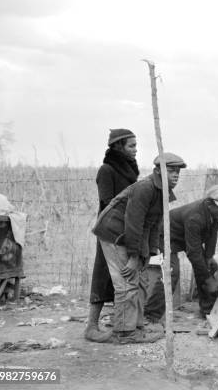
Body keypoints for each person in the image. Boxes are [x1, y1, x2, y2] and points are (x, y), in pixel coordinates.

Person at [92, 152, 186, 344]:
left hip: (130, 235)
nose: (176, 175)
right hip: (114, 233)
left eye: (177, 171)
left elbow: (153, 224)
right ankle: (124, 333)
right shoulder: (145, 188)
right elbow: (133, 223)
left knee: (141, 281)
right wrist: (135, 257)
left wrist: (151, 253)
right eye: (171, 171)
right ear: (158, 172)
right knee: (126, 283)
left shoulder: (162, 193)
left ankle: (136, 326)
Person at [144, 185, 218, 321]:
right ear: (209, 203)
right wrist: (207, 279)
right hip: (166, 235)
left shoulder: (217, 213)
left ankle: (208, 310)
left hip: (186, 236)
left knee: (208, 266)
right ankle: (151, 315)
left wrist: (209, 256)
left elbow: (212, 234)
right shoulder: (195, 217)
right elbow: (194, 253)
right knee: (171, 271)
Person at [85, 129, 139, 343]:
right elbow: (109, 202)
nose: (136, 150)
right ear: (119, 147)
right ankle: (91, 326)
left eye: (136, 145)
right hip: (108, 228)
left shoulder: (129, 169)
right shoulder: (106, 170)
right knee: (102, 274)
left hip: (125, 229)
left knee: (122, 277)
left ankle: (120, 323)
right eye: (131, 146)